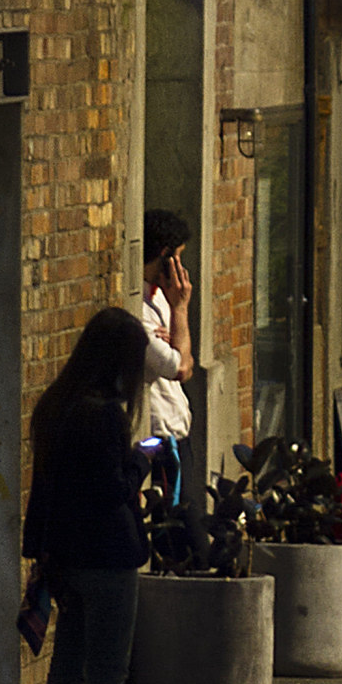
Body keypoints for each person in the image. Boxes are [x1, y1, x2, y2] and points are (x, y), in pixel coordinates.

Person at [20, 306, 152, 684]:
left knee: (65, 673)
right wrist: (141, 462)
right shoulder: (106, 415)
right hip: (109, 559)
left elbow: (49, 490)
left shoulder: (54, 406)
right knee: (104, 679)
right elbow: (112, 492)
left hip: (65, 562)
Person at [140, 212, 195, 506]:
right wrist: (181, 310)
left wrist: (178, 340)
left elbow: (189, 360)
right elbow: (181, 368)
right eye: (177, 259)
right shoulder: (140, 311)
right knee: (183, 537)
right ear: (164, 256)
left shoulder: (162, 297)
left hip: (180, 432)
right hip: (160, 439)